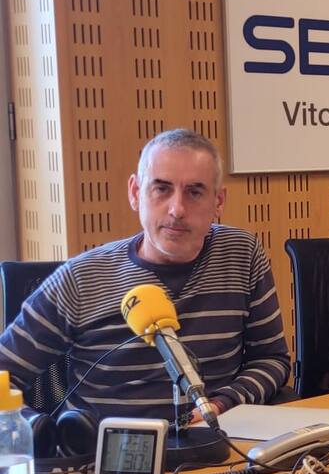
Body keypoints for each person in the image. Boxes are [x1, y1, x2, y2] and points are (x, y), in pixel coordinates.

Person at [0, 128, 290, 422]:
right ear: (135, 192)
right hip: (105, 447)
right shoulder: (80, 278)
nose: (177, 209)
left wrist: (222, 404)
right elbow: (3, 377)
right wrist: (40, 433)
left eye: (195, 192)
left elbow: (271, 360)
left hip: (212, 439)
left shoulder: (241, 254)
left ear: (218, 201)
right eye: (161, 189)